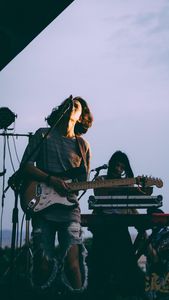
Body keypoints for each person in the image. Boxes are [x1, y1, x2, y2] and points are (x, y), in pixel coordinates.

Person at [19, 95, 93, 295]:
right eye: (68, 104)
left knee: (73, 265)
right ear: (60, 110)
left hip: (69, 208)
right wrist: (51, 180)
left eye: (76, 106)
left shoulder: (83, 146)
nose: (71, 107)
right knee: (42, 265)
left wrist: (71, 187)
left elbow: (81, 183)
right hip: (43, 206)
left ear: (80, 116)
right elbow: (25, 167)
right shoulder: (43, 135)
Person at [88, 151, 145, 299]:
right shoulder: (101, 179)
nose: (118, 169)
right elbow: (99, 193)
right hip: (103, 227)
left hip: (120, 227)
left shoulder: (128, 183)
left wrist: (134, 185)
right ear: (111, 164)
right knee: (99, 269)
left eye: (122, 166)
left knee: (126, 269)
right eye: (116, 165)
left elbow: (134, 202)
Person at [144, 208, 169, 300]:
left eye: (154, 218)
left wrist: (143, 234)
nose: (151, 221)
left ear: (162, 220)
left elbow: (155, 258)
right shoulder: (153, 237)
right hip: (152, 287)